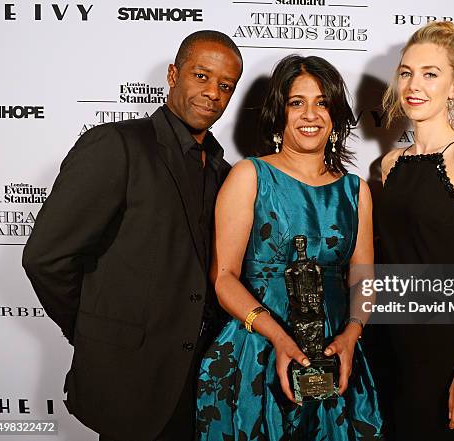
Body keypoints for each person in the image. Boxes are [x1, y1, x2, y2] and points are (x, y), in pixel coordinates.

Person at [22, 30, 243, 441]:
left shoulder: (224, 173)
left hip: (199, 384)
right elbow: (45, 259)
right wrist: (95, 330)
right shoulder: (117, 145)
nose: (212, 92)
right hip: (130, 380)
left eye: (225, 85)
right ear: (173, 75)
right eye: (201, 76)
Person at [195, 55, 384, 440]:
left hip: (334, 355)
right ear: (279, 112)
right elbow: (224, 277)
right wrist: (279, 338)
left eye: (322, 102)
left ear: (334, 115)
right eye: (297, 102)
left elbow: (363, 279)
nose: (309, 114)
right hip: (255, 352)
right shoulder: (249, 176)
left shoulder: (355, 191)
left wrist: (351, 335)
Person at [371, 21, 454, 440]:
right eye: (407, 72)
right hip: (384, 342)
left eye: (431, 73)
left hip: (443, 346)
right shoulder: (388, 165)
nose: (415, 84)